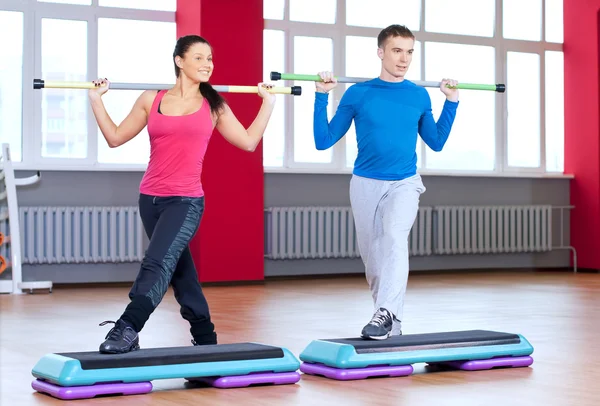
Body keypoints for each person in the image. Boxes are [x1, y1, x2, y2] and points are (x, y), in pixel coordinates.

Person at [88, 34, 277, 353]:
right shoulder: (152, 99)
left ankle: (128, 326)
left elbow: (247, 141)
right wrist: (96, 100)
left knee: (157, 263)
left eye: (210, 58)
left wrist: (268, 104)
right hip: (149, 199)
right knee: (179, 271)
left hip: (185, 201)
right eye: (200, 58)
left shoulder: (213, 104)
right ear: (180, 61)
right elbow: (115, 137)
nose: (208, 64)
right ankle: (205, 336)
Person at [312, 25, 459, 340]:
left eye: (409, 52)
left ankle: (384, 314)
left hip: (405, 182)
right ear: (381, 52)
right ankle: (393, 320)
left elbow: (436, 142)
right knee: (374, 258)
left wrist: (451, 103)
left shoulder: (419, 95)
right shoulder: (358, 94)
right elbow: (323, 141)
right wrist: (320, 98)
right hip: (365, 183)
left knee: (394, 240)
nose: (404, 59)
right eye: (397, 50)